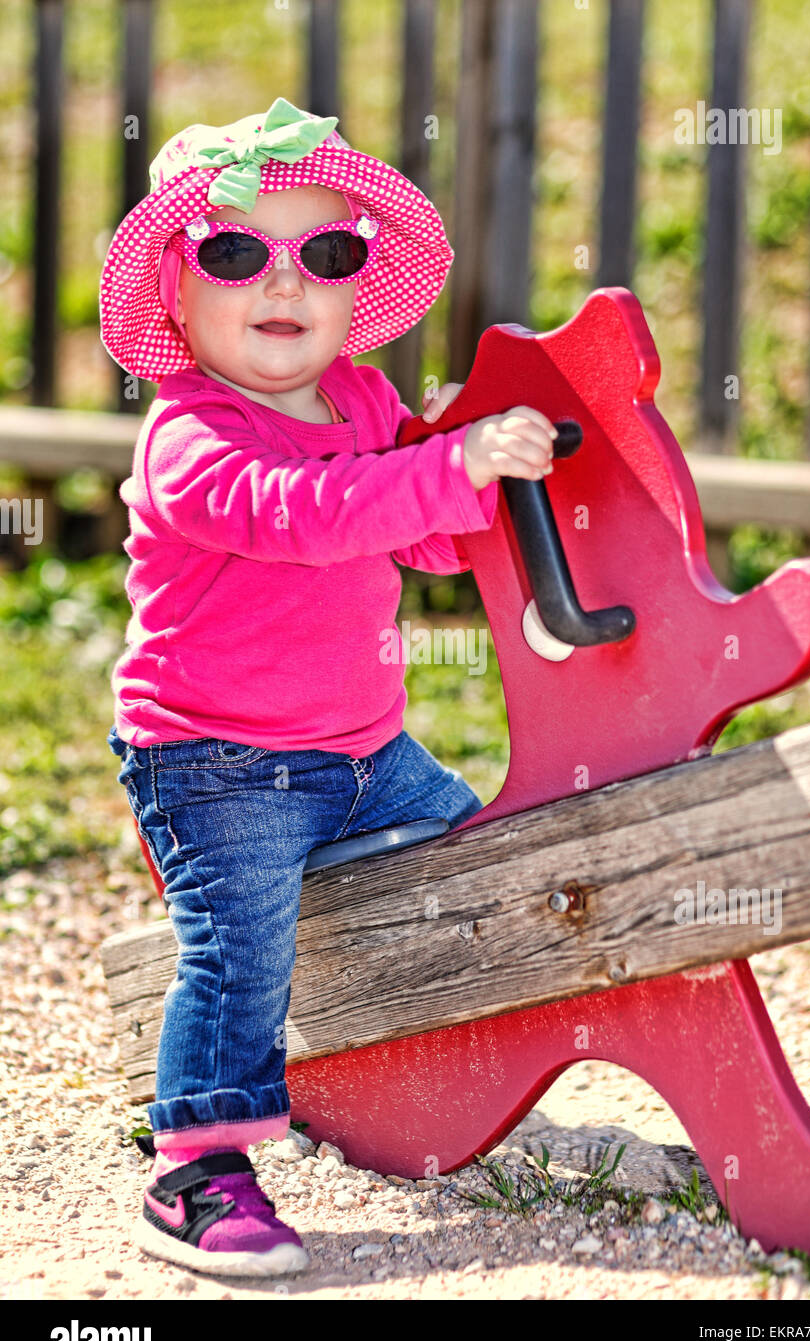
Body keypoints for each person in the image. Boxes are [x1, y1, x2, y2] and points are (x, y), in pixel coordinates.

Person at [100, 97, 556, 1278]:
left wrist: (491, 488)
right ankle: (196, 1167)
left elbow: (422, 533)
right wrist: (446, 471)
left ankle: (439, 1058)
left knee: (482, 861)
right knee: (238, 949)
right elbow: (315, 518)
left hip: (363, 744)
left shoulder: (358, 401)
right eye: (239, 253)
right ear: (174, 290)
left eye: (326, 251)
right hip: (216, 759)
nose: (283, 282)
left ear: (357, 283)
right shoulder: (189, 441)